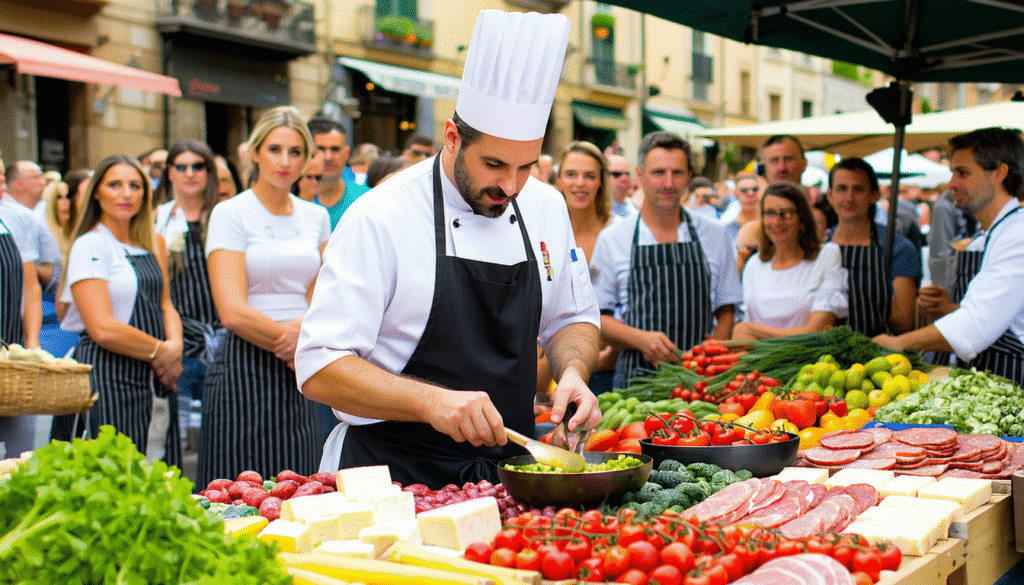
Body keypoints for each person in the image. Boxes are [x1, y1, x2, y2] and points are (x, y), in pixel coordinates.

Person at [296, 10, 601, 487]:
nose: (511, 186)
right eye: (495, 164)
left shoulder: (546, 206)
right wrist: (431, 401)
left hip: (508, 477)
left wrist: (574, 375)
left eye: (526, 167)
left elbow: (570, 319)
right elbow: (320, 367)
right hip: (390, 476)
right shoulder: (381, 215)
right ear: (453, 138)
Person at [198, 106, 330, 486]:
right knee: (240, 486)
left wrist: (301, 339)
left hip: (301, 359)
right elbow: (232, 310)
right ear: (255, 152)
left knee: (299, 480)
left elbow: (324, 296)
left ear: (306, 158)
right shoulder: (230, 213)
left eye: (295, 152)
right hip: (245, 358)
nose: (285, 162)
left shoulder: (316, 217)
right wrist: (290, 339)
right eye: (274, 149)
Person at [51, 154, 183, 464]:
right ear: (96, 191)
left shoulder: (155, 243)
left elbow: (165, 304)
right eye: (115, 185)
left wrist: (176, 348)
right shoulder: (90, 244)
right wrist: (162, 352)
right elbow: (102, 328)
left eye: (135, 185)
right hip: (107, 375)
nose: (126, 194)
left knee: (156, 470)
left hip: (156, 375)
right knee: (113, 477)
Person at [591, 131, 742, 388]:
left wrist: (716, 348)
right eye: (658, 172)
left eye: (678, 173)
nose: (669, 183)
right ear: (640, 176)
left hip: (700, 384)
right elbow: (597, 319)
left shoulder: (715, 234)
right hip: (635, 386)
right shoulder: (613, 238)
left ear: (689, 177)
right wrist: (640, 339)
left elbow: (726, 308)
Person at [876, 127, 1024, 386]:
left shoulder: (1017, 234)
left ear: (999, 173)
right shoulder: (992, 233)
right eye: (953, 172)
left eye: (963, 173)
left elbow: (977, 324)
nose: (952, 183)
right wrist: (949, 308)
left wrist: (899, 342)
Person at [153, 141, 225, 439]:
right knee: (175, 435)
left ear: (209, 172)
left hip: (221, 338)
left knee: (220, 430)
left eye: (198, 166)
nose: (189, 173)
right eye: (181, 166)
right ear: (169, 173)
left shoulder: (224, 216)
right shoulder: (157, 218)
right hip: (177, 340)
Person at [547, 141, 619, 396]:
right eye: (571, 174)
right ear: (559, 180)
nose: (580, 183)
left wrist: (613, 352)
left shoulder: (617, 233)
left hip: (609, 367)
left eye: (590, 176)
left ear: (601, 182)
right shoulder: (544, 231)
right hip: (550, 365)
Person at [732, 182, 848, 340]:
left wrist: (750, 329)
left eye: (786, 214)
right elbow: (741, 336)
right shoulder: (754, 264)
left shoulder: (827, 255)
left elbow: (817, 331)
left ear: (802, 220)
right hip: (757, 362)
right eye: (770, 213)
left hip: (806, 362)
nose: (776, 222)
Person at [825, 158, 920, 336]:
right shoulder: (817, 247)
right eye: (842, 189)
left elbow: (904, 322)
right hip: (822, 355)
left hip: (880, 355)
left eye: (858, 189)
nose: (849, 197)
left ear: (873, 196)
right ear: (830, 196)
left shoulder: (899, 248)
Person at [0, 181, 44, 456]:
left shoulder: (15, 220)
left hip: (12, 359)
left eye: (3, 176)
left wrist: (32, 342)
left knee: (19, 458)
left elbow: (31, 288)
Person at [307, 117, 369, 229]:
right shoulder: (289, 201)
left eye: (335, 149)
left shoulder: (366, 200)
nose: (328, 157)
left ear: (346, 153)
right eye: (320, 149)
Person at [722, 172, 762, 244]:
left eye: (755, 189)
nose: (750, 193)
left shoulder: (770, 222)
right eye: (744, 190)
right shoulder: (729, 225)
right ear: (736, 194)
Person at [607, 154, 638, 219]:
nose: (624, 178)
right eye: (617, 174)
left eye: (627, 174)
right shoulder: (596, 212)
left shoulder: (636, 209)